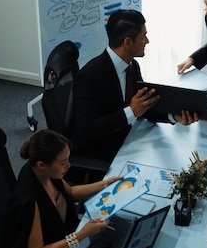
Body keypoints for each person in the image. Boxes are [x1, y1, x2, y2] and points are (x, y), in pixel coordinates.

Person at [72, 9, 199, 166]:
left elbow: (144, 105)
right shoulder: (90, 76)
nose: (147, 41)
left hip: (128, 138)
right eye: (143, 36)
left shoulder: (132, 65)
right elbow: (87, 130)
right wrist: (130, 112)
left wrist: (173, 116)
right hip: (103, 151)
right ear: (127, 42)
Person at [1, 129, 124, 248]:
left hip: (63, 236)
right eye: (63, 162)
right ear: (42, 165)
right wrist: (80, 235)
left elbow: (70, 192)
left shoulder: (48, 174)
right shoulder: (28, 200)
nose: (69, 166)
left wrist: (105, 184)